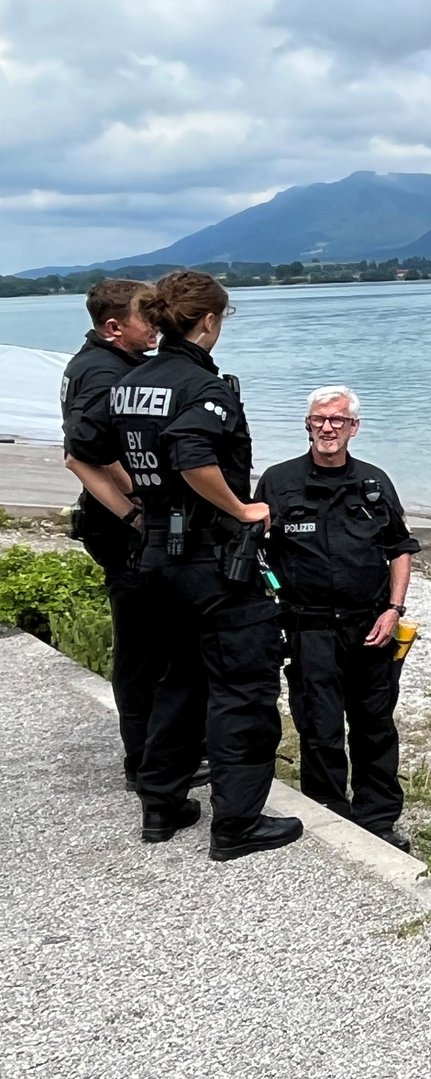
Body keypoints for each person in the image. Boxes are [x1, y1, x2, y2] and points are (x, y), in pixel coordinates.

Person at [67, 271, 302, 858]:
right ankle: (237, 824)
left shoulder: (129, 382)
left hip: (155, 558)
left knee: (177, 679)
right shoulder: (205, 387)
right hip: (213, 559)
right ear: (210, 322)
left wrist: (133, 511)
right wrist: (243, 509)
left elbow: (84, 451)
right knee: (242, 689)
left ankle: (162, 804)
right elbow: (195, 454)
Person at [255, 386, 420, 850]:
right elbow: (256, 554)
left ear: (354, 427)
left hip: (372, 625)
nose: (328, 427)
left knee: (375, 726)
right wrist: (271, 604)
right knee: (320, 728)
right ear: (307, 425)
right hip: (309, 628)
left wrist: (395, 609)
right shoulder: (278, 481)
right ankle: (331, 815)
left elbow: (400, 549)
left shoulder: (374, 481)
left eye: (338, 420)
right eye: (319, 419)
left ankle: (379, 820)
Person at [59, 279, 166, 791]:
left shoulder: (106, 363)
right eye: (149, 318)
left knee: (151, 643)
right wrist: (135, 511)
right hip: (122, 533)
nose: (157, 326)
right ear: (113, 326)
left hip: (121, 526)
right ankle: (144, 763)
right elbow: (83, 453)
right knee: (142, 648)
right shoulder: (103, 373)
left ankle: (157, 753)